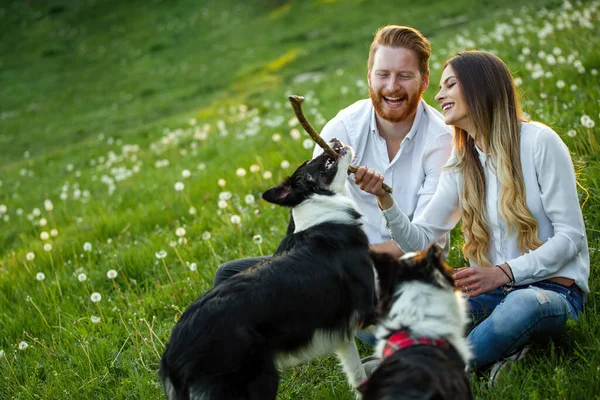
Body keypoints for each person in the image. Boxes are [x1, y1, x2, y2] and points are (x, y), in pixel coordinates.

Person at [355, 50, 589, 379]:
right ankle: (502, 351)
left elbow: (571, 237)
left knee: (519, 308)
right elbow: (420, 238)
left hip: (552, 292)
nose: (438, 95)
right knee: (368, 318)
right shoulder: (461, 163)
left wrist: (504, 272)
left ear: (480, 87)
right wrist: (384, 198)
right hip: (491, 293)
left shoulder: (539, 142)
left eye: (450, 84)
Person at [213, 25, 453, 288]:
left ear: (425, 80)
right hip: (337, 267)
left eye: (404, 76)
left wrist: (357, 257)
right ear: (369, 76)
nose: (392, 87)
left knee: (367, 317)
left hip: (408, 272)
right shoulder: (344, 129)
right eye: (383, 74)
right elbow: (312, 210)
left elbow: (425, 242)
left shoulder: (441, 142)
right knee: (229, 277)